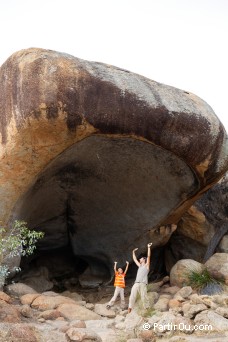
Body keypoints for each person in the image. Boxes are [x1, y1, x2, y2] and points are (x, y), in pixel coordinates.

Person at [128, 242, 152, 313]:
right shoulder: (140, 266)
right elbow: (135, 259)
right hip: (136, 283)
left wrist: (148, 247)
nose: (139, 259)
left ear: (144, 260)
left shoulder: (146, 266)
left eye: (141, 259)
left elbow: (148, 256)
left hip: (143, 283)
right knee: (132, 295)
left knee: (143, 296)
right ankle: (130, 308)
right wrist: (133, 252)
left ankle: (147, 309)